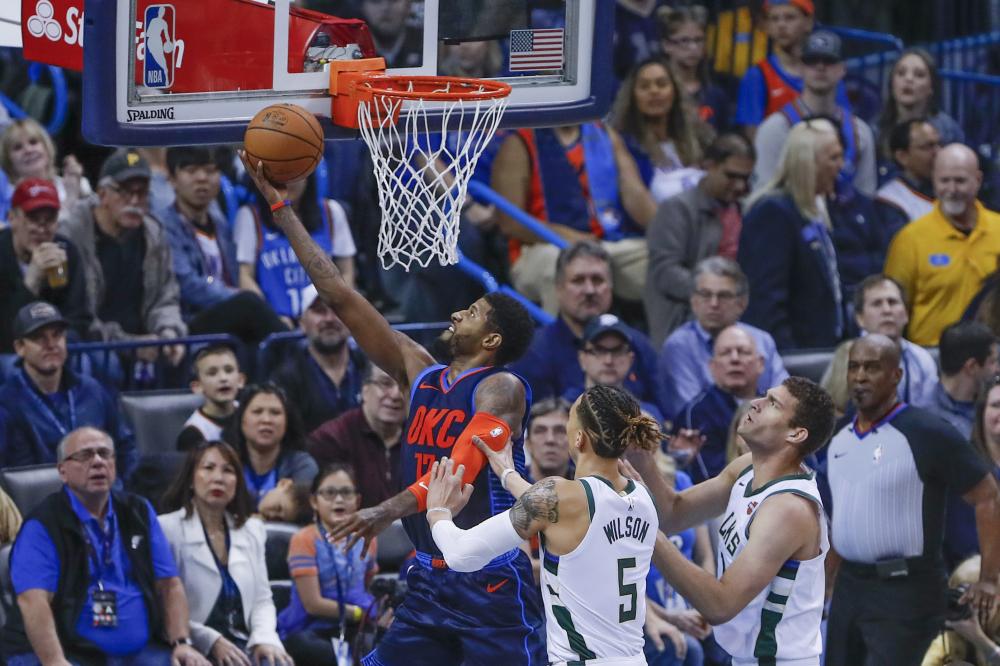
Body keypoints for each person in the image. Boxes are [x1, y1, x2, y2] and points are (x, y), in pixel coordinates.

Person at [240, 149, 547, 665]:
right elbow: (338, 294)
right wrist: (281, 208)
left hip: (489, 580)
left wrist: (383, 511)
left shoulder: (502, 389)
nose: (455, 313)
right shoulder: (419, 370)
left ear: (491, 338)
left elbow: (456, 472)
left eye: (469, 312)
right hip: (430, 573)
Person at [427, 385, 662, 665]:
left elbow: (461, 555)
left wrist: (438, 512)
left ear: (578, 439)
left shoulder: (560, 498)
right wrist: (507, 474)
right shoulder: (643, 496)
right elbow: (559, 506)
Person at [630, 376, 835, 665]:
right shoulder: (747, 467)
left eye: (772, 403)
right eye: (764, 395)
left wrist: (643, 526)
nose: (755, 402)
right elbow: (674, 513)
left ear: (796, 434)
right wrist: (640, 457)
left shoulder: (788, 508)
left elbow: (719, 605)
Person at [825, 335, 1000, 665]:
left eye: (872, 367)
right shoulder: (839, 437)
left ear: (896, 375)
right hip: (849, 586)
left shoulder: (928, 432)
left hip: (906, 588)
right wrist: (825, 584)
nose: (860, 376)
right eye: (854, 367)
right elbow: (841, 519)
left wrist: (989, 580)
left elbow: (988, 496)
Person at [2, 427, 210, 666]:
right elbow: (33, 602)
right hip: (66, 652)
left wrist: (180, 642)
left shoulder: (138, 511)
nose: (98, 462)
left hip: (140, 653)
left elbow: (169, 584)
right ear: (62, 471)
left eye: (104, 454)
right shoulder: (43, 525)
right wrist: (55, 661)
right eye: (85, 455)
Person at [491, 123, 656, 311]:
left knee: (662, 259)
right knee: (563, 266)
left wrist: (672, 230)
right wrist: (568, 237)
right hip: (539, 248)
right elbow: (510, 223)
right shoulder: (518, 142)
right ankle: (566, 338)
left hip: (606, 241)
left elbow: (634, 193)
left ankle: (671, 338)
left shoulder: (604, 134)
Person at [159, 441, 292, 665]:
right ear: (191, 479)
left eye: (228, 470)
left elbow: (262, 599)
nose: (218, 478)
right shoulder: (167, 529)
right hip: (192, 645)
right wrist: (211, 640)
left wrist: (265, 639)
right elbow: (163, 605)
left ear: (237, 482)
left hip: (244, 643)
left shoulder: (252, 530)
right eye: (208, 468)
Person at [60, 148, 186, 364]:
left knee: (188, 355)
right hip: (93, 343)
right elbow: (77, 316)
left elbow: (165, 298)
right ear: (102, 194)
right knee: (106, 364)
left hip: (147, 341)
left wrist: (169, 334)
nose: (135, 201)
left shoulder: (154, 233)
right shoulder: (72, 234)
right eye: (125, 192)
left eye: (143, 192)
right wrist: (128, 344)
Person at [512, 241, 665, 413]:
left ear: (611, 287)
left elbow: (666, 416)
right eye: (578, 281)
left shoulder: (638, 345)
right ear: (558, 289)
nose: (590, 290)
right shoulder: (534, 351)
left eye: (598, 280)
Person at [157, 146, 287, 347]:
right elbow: (187, 285)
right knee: (249, 306)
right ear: (172, 180)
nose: (202, 179)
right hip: (189, 321)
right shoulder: (164, 226)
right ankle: (303, 358)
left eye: (210, 171)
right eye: (191, 171)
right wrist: (237, 296)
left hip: (229, 316)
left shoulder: (219, 222)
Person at [739, 118, 846, 350]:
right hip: (794, 357)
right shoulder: (773, 212)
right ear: (809, 164)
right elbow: (767, 300)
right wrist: (790, 360)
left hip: (821, 348)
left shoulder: (813, 209)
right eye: (834, 158)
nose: (841, 166)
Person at [0, 302, 138, 479]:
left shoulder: (92, 390)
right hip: (44, 501)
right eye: (39, 338)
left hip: (104, 497)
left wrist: (122, 494)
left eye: (57, 335)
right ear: (20, 347)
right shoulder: (7, 402)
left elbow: (125, 447)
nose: (51, 344)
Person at [644, 134, 755, 344]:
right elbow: (665, 273)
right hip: (684, 324)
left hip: (739, 321)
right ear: (709, 166)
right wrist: (717, 296)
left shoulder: (746, 211)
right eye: (731, 176)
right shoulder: (677, 209)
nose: (740, 186)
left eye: (746, 178)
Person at [885, 143, 1000, 346]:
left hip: (991, 357)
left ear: (978, 180)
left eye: (960, 181)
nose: (952, 189)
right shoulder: (910, 239)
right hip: (932, 356)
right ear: (934, 180)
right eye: (944, 181)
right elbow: (894, 308)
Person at [752, 30, 877, 195]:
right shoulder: (774, 129)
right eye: (812, 60)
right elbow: (763, 196)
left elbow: (866, 197)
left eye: (829, 60)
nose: (820, 67)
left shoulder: (860, 131)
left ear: (843, 69)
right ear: (801, 68)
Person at [277, 463, 380, 664]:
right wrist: (359, 612)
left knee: (378, 647)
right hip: (311, 627)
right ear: (314, 501)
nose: (339, 499)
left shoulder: (368, 538)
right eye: (330, 493)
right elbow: (312, 604)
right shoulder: (304, 539)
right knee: (321, 652)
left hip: (355, 627)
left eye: (346, 493)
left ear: (358, 500)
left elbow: (367, 582)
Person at [659, 256, 787, 416]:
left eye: (724, 296)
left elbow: (784, 399)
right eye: (705, 294)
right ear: (694, 301)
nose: (714, 304)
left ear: (742, 303)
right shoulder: (679, 345)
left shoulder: (761, 339)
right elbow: (692, 413)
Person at [234, 172, 356, 321]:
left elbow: (347, 272)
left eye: (294, 174)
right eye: (279, 175)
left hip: (325, 320)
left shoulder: (332, 211)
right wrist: (271, 319)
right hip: (278, 326)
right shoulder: (250, 216)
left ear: (308, 175)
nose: (287, 182)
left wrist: (337, 314)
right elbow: (245, 277)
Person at [821, 274, 939, 414]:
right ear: (860, 318)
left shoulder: (922, 358)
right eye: (877, 304)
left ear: (906, 314)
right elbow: (830, 413)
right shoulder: (846, 354)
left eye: (893, 302)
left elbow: (929, 414)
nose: (887, 310)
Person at [0, 178, 90, 356]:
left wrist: (55, 345)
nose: (41, 229)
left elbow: (79, 317)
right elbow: (4, 334)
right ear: (12, 218)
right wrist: (31, 281)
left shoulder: (66, 251)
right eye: (33, 218)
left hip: (58, 350)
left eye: (49, 219)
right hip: (10, 353)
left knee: (102, 364)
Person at [670, 325, 764, 485]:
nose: (735, 359)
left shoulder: (776, 406)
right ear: (712, 367)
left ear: (760, 363)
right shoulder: (696, 413)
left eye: (743, 352)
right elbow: (710, 480)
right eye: (725, 353)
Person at [609, 57, 709, 204]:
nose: (654, 91)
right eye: (644, 86)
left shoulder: (702, 138)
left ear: (675, 91)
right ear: (632, 96)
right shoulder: (624, 146)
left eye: (662, 84)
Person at [307, 363, 407, 508]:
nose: (396, 394)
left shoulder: (424, 440)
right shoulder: (330, 440)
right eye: (385, 383)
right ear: (364, 389)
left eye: (405, 386)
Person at [270, 284, 367, 432]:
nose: (329, 319)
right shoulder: (286, 378)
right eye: (319, 311)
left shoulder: (370, 369)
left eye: (337, 310)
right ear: (302, 323)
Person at [223, 383, 318, 516]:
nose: (266, 420)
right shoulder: (224, 462)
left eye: (275, 413)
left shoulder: (302, 466)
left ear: (287, 421)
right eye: (257, 412)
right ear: (241, 419)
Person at [564, 314, 665, 424]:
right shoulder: (564, 409)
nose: (609, 360)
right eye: (599, 350)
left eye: (618, 350)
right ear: (582, 359)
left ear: (630, 359)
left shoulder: (648, 416)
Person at [945, 375, 1000, 570]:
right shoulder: (963, 466)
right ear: (982, 412)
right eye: (996, 405)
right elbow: (962, 541)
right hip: (975, 573)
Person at [876, 47, 964, 161]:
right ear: (892, 83)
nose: (908, 79)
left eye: (919, 75)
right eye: (901, 73)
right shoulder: (876, 130)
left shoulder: (948, 131)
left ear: (931, 87)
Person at [658, 5, 732, 132]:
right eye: (684, 40)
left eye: (698, 40)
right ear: (667, 45)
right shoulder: (657, 91)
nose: (693, 48)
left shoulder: (715, 95)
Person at [0, 117, 90, 218]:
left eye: (33, 142)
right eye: (18, 147)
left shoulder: (80, 185)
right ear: (8, 160)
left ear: (47, 148)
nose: (28, 150)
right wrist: (71, 197)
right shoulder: (8, 198)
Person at [922, 555, 1000, 665]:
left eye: (980, 599)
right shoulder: (945, 643)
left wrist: (981, 641)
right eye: (963, 598)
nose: (972, 608)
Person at [927, 321, 998, 439]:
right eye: (992, 362)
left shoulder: (993, 404)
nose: (997, 369)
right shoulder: (927, 415)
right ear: (972, 367)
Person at [176, 344, 246, 451]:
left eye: (229, 370)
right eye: (212, 373)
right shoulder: (193, 434)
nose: (223, 378)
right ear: (197, 387)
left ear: (240, 380)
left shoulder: (251, 414)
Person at [875, 119, 941, 222]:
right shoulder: (890, 201)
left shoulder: (947, 191)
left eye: (938, 144)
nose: (937, 152)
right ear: (902, 157)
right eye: (928, 147)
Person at [359, 0, 422, 69]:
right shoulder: (353, 49)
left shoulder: (426, 45)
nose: (385, 8)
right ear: (363, 7)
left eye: (393, 1)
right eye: (376, 1)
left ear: (409, 4)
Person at [524, 398, 573, 482]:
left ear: (575, 442)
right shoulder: (505, 489)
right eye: (540, 431)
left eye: (560, 431)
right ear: (528, 443)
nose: (550, 439)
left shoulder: (591, 491)